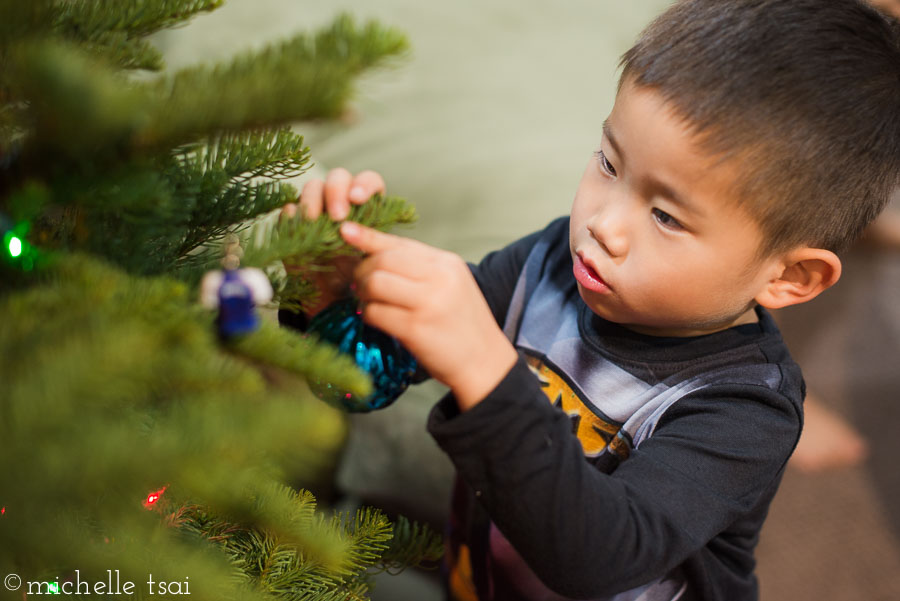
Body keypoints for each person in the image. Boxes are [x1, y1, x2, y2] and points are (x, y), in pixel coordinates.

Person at [279, 1, 900, 599]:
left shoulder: (745, 410)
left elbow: (597, 558)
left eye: (665, 215)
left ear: (790, 278)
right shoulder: (550, 261)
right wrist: (328, 295)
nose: (603, 224)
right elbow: (364, 382)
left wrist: (483, 371)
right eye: (608, 162)